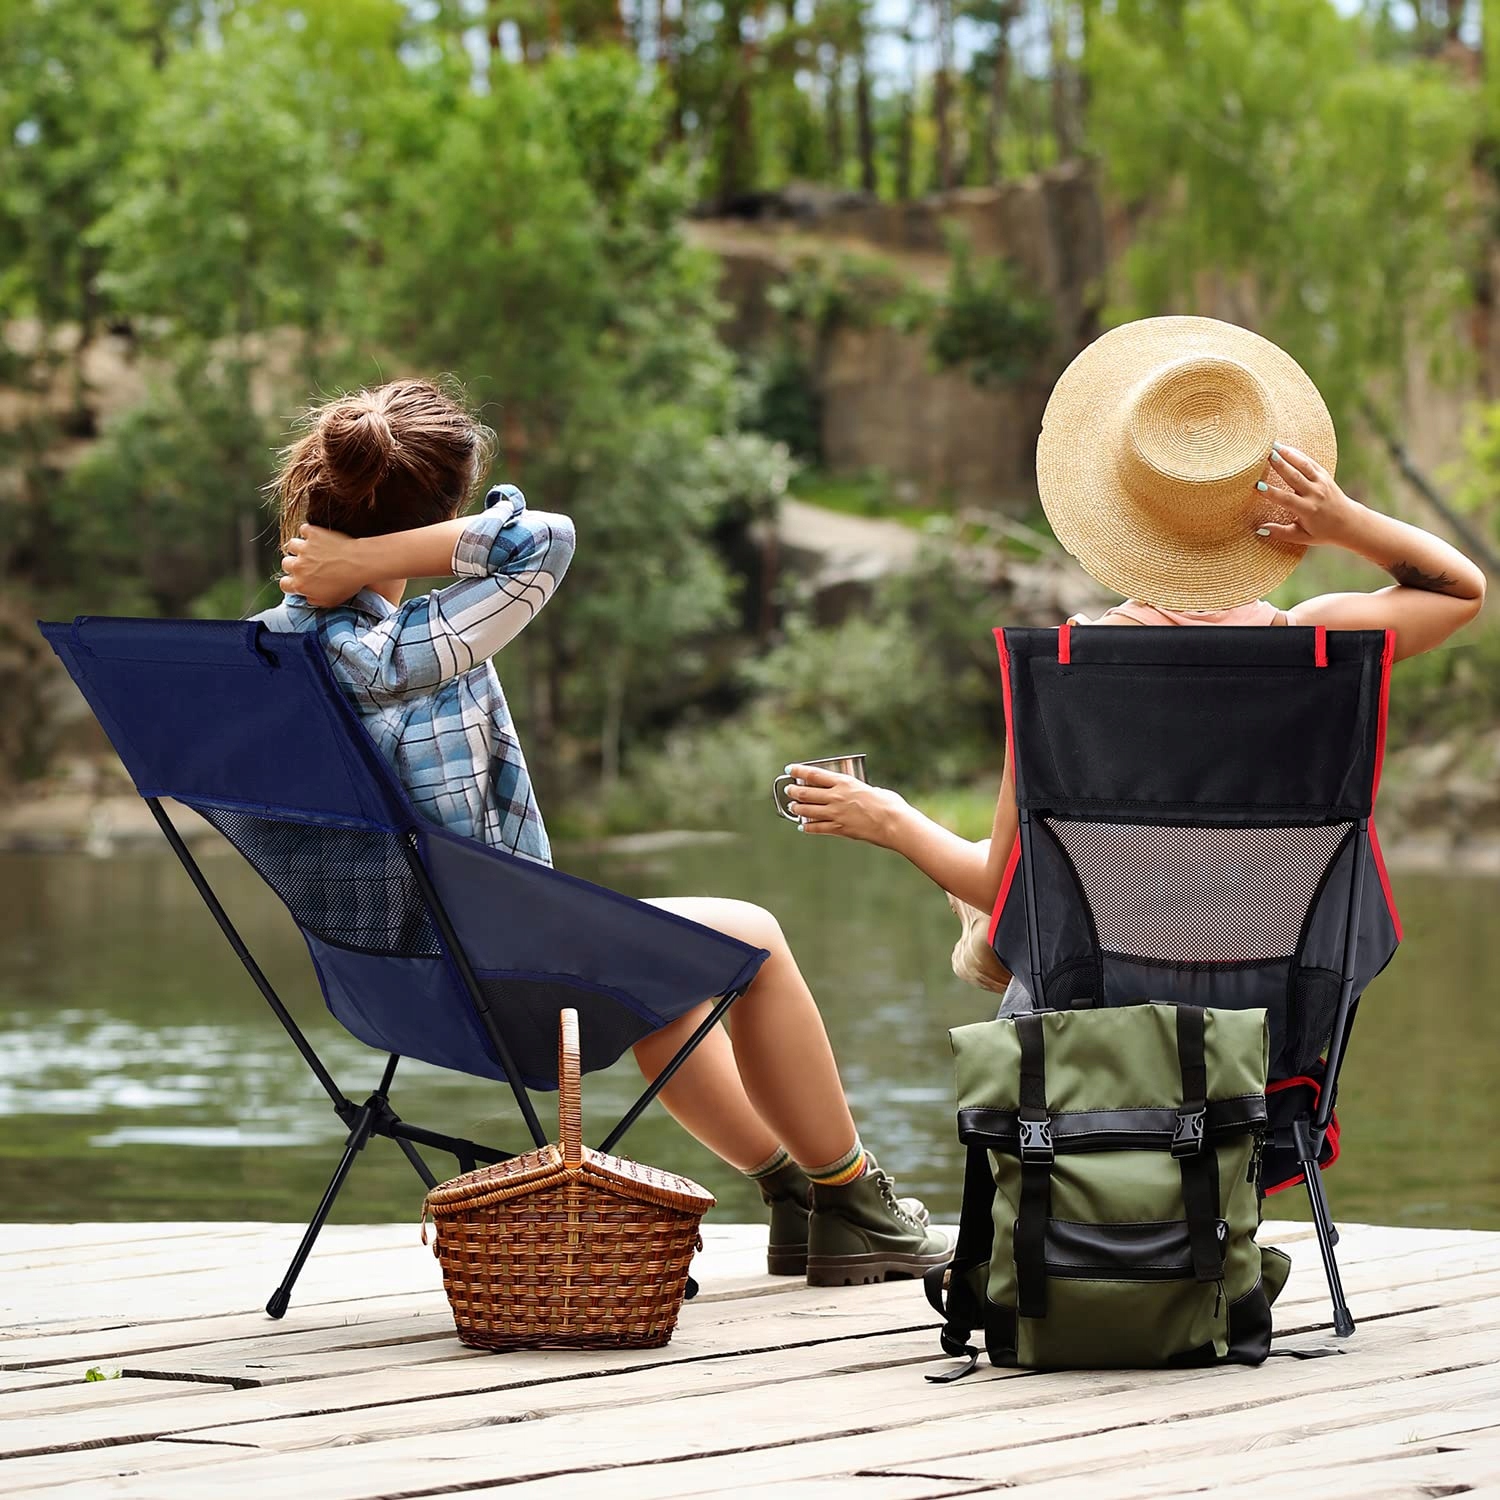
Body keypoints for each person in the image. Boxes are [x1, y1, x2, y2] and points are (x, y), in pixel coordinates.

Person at [263, 377, 948, 1285]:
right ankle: (854, 1198)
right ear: (444, 510)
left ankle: (793, 1196)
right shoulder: (409, 648)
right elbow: (544, 538)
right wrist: (373, 562)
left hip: (388, 982)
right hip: (501, 974)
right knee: (756, 940)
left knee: (668, 970)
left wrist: (353, 565)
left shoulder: (279, 643)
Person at [778, 316, 1486, 1006]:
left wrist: (888, 817)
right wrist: (1347, 522)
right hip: (1273, 1022)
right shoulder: (1313, 646)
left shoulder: (1071, 667)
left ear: (1118, 508)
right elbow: (1459, 589)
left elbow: (1001, 887)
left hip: (1102, 1016)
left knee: (985, 913)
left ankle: (976, 955)